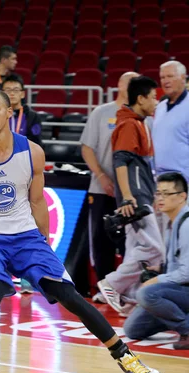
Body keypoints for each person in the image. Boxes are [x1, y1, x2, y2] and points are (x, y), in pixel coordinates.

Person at [0, 90, 163, 373]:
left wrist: (43, 244)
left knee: (71, 297)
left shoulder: (32, 152)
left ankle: (127, 359)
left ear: (8, 112)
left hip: (26, 237)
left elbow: (38, 202)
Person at [124, 172, 189, 350]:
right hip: (183, 289)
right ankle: (184, 318)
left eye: (167, 194)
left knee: (146, 294)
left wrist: (157, 280)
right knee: (132, 329)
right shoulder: (172, 222)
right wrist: (159, 269)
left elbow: (188, 273)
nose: (161, 198)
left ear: (182, 196)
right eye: (158, 193)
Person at [97, 76, 165, 316]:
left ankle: (127, 294)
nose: (157, 101)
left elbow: (143, 166)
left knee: (136, 246)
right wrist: (127, 197)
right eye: (154, 97)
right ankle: (112, 284)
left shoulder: (139, 122)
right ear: (141, 98)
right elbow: (120, 162)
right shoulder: (129, 124)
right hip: (135, 200)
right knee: (155, 249)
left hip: (141, 194)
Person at [80, 71, 138, 303]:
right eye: (130, 82)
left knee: (130, 240)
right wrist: (102, 176)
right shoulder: (101, 112)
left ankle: (128, 287)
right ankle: (105, 287)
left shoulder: (141, 115)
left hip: (131, 191)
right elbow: (87, 148)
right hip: (100, 187)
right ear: (120, 85)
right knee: (101, 238)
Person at [153, 61, 189, 201]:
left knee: (176, 223)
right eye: (162, 77)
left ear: (183, 78)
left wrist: (183, 181)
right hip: (158, 179)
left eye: (170, 76)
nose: (165, 81)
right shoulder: (160, 107)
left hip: (180, 180)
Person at [1, 74, 43, 147]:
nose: (12, 93)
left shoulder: (33, 117)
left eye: (16, 90)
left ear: (23, 94)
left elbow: (36, 142)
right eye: (8, 90)